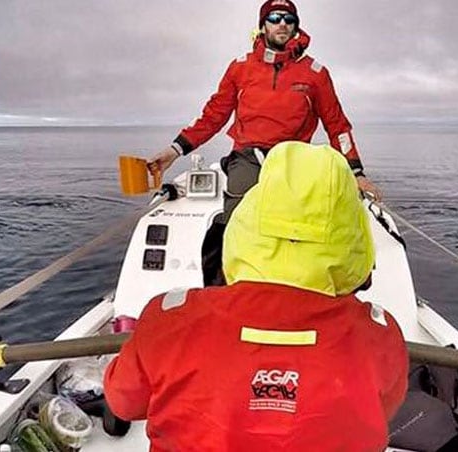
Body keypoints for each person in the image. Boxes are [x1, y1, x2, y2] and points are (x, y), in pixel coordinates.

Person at [104, 142, 408, 451]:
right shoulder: (381, 337)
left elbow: (123, 402)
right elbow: (384, 409)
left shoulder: (168, 319)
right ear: (354, 241)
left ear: (245, 225)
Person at [149, 0, 382, 227]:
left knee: (296, 225)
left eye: (289, 19)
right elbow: (213, 116)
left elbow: (337, 125)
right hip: (248, 157)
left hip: (293, 159)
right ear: (263, 25)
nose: (282, 24)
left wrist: (356, 173)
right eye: (274, 18)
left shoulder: (316, 74)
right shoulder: (239, 68)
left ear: (295, 27)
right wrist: (174, 151)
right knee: (237, 221)